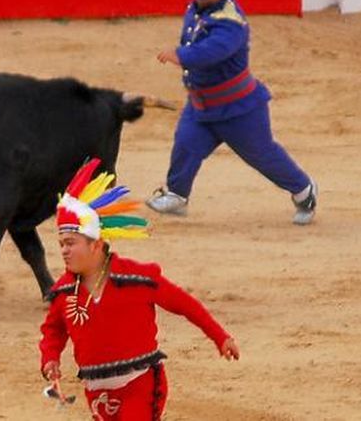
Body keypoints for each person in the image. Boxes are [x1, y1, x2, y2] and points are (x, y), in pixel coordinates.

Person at [39, 159, 239, 420]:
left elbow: (185, 305)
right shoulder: (64, 291)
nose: (63, 250)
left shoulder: (136, 279)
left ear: (96, 245)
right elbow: (54, 329)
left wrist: (220, 336)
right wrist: (50, 357)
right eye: (61, 244)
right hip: (97, 390)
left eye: (70, 243)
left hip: (141, 382)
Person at [145, 0, 320, 225]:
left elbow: (212, 51)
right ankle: (177, 195)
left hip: (239, 110)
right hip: (201, 104)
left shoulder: (231, 21)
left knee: (262, 155)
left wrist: (181, 56)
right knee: (185, 145)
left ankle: (304, 190)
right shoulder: (195, 10)